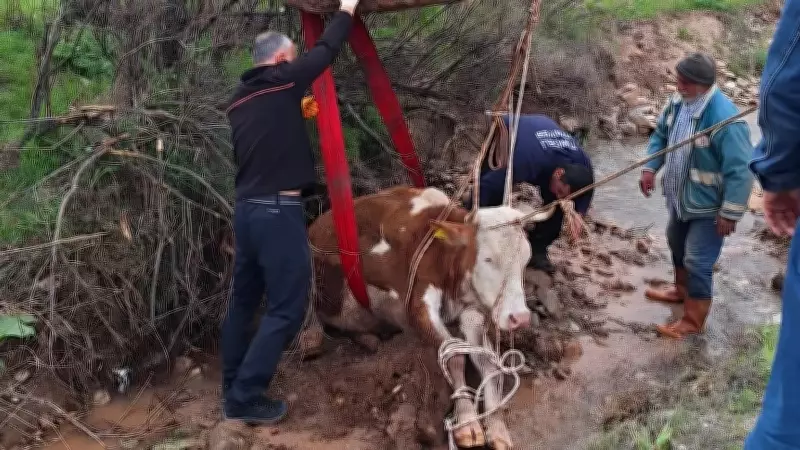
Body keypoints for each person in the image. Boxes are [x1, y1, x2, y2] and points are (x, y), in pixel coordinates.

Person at [221, 0, 359, 425]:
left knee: (243, 301)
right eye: (291, 61)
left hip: (247, 212)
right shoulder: (281, 80)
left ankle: (232, 383)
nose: (295, 66)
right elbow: (325, 53)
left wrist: (294, 110)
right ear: (280, 60)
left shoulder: (240, 100)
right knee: (287, 307)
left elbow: (266, 140)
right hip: (277, 213)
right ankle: (245, 396)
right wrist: (347, 12)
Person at [639, 52, 753, 339]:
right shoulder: (678, 103)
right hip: (680, 198)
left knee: (698, 261)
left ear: (703, 85)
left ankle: (692, 320)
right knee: (676, 242)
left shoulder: (726, 121)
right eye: (678, 80)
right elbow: (660, 137)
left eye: (685, 83)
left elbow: (741, 171)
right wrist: (650, 168)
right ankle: (680, 291)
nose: (679, 86)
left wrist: (730, 212)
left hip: (710, 206)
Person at [745, 1, 800, 448]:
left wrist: (778, 177)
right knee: (679, 244)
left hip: (709, 212)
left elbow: (784, 86)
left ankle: (692, 317)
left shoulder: (720, 119)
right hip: (683, 205)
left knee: (790, 414)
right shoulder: (677, 111)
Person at [464, 114, 595, 274]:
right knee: (496, 187)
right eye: (560, 191)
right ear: (559, 173)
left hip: (545, 135)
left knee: (558, 208)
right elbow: (486, 187)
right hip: (512, 129)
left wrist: (578, 215)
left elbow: (586, 190)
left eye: (564, 194)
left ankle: (538, 251)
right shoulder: (526, 160)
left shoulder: (583, 163)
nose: (560, 196)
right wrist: (469, 218)